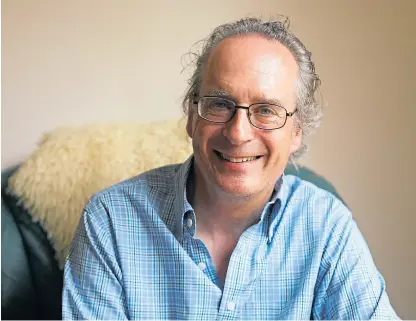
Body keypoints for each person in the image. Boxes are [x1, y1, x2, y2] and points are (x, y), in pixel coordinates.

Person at [62, 17, 399, 320]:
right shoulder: (111, 220)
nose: (238, 132)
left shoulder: (326, 227)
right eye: (220, 104)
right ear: (192, 116)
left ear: (297, 131)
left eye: (266, 110)